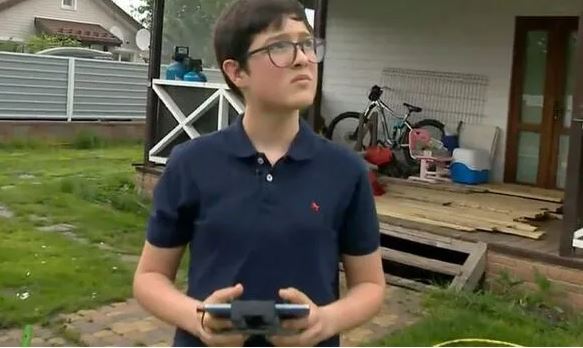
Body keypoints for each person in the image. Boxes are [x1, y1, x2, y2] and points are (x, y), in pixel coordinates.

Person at [133, 0, 385, 346]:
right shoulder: (191, 163)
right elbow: (149, 277)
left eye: (307, 43)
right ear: (237, 72)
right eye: (280, 46)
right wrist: (198, 319)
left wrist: (325, 321)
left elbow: (370, 286)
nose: (303, 58)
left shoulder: (345, 170)